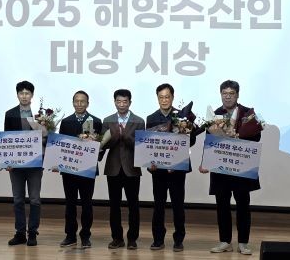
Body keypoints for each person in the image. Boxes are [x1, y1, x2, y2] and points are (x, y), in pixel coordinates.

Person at [200, 80, 261, 255]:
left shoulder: (248, 114)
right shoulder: (214, 115)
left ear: (237, 95)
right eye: (224, 93)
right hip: (220, 168)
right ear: (221, 95)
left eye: (231, 93)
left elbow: (256, 138)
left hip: (241, 167)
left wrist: (239, 136)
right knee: (222, 206)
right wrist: (205, 162)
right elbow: (209, 141)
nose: (227, 97)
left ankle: (243, 243)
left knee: (243, 205)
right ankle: (225, 241)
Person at [146, 83, 201, 252]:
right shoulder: (151, 118)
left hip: (177, 169)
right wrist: (149, 165)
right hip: (158, 170)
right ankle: (158, 239)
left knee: (178, 205)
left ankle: (178, 239)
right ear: (157, 98)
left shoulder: (182, 116)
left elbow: (191, 141)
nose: (164, 100)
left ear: (172, 97)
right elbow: (148, 144)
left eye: (167, 97)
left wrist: (187, 132)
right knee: (158, 205)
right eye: (161, 97)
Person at [3, 80, 47, 247]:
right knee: (18, 199)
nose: (24, 96)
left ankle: (33, 232)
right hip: (16, 164)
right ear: (17, 95)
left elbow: (46, 138)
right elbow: (6, 139)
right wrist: (7, 161)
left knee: (35, 199)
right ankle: (20, 233)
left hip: (35, 164)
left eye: (27, 93)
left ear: (32, 95)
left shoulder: (40, 115)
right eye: (21, 93)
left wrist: (44, 131)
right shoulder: (10, 114)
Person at [100, 89, 145, 250]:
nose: (121, 104)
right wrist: (114, 138)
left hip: (132, 169)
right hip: (113, 168)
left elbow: (141, 147)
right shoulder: (107, 120)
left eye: (125, 101)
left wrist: (125, 136)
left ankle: (132, 239)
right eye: (118, 101)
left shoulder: (139, 121)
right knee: (114, 206)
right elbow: (103, 145)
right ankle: (117, 238)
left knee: (133, 205)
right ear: (114, 102)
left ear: (130, 102)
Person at [57, 90, 102, 249]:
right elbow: (60, 145)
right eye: (76, 101)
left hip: (88, 170)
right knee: (70, 204)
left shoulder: (96, 121)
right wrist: (57, 162)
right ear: (73, 103)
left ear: (88, 103)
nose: (79, 104)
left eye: (83, 101)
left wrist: (95, 149)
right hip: (69, 170)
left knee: (87, 204)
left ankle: (85, 236)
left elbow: (100, 147)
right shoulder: (66, 122)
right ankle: (70, 235)